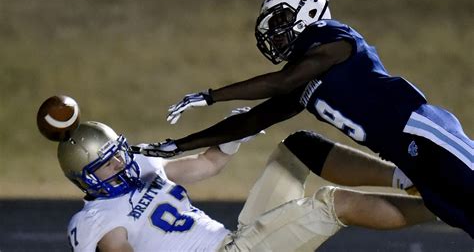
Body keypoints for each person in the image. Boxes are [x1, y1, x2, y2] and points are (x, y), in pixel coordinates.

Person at [134, 0, 473, 237]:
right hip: (409, 157)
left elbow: (281, 83)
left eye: (281, 18)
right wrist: (178, 144)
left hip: (422, 130)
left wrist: (211, 95)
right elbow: (253, 120)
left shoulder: (333, 38)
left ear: (307, 10)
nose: (274, 30)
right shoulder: (303, 81)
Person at [60, 121, 435, 251]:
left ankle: (405, 180)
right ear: (88, 178)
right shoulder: (96, 217)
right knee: (331, 204)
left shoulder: (142, 166)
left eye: (118, 153)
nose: (120, 163)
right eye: (106, 163)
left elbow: (207, 165)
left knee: (298, 148)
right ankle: (449, 205)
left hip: (238, 240)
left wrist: (232, 136)